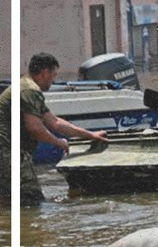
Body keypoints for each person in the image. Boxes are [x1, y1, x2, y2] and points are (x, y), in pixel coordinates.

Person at [1, 53, 109, 205]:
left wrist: (91, 135)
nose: (53, 81)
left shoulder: (25, 87)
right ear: (44, 73)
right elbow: (35, 128)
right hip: (8, 154)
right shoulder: (29, 90)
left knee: (9, 203)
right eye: (53, 75)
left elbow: (55, 122)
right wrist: (58, 142)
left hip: (7, 153)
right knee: (31, 203)